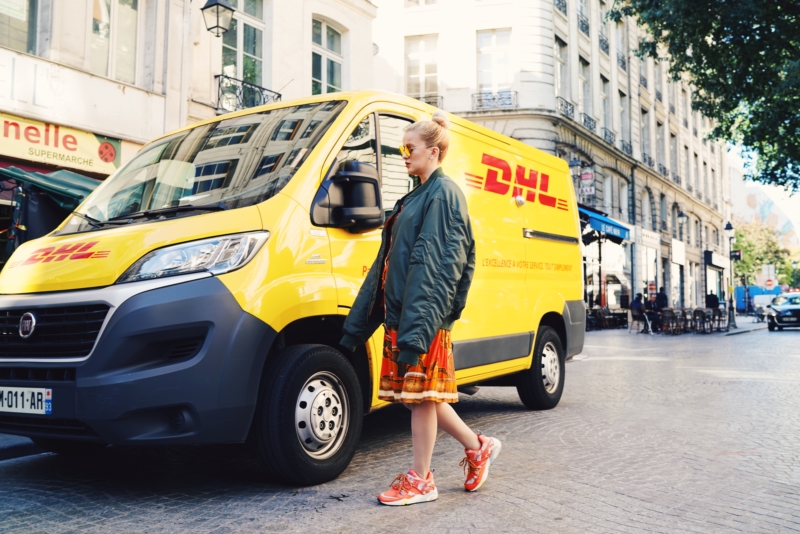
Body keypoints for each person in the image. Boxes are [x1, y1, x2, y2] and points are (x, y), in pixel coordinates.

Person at [339, 110, 501, 506]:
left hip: (420, 319)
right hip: (408, 317)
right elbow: (387, 263)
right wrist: (360, 323)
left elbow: (438, 268)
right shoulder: (419, 193)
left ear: (434, 150)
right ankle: (478, 447)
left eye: (408, 148)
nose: (403, 154)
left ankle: (422, 479)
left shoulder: (443, 194)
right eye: (402, 148)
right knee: (425, 396)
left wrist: (416, 330)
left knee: (421, 398)